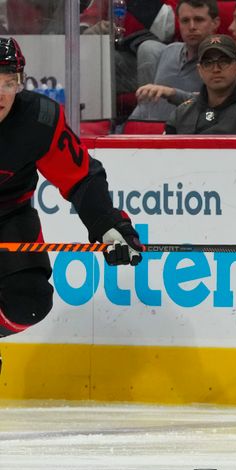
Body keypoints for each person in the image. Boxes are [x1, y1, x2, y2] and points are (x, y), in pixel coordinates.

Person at [0, 38, 141, 372]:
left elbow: (80, 178)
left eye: (8, 83)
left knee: (29, 304)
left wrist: (110, 227)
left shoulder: (38, 120)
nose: (1, 94)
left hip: (9, 216)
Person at [165, 34, 236, 134]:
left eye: (224, 62)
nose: (216, 69)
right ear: (199, 70)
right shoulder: (182, 114)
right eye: (208, 63)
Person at [130, 0, 221, 122]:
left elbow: (215, 108)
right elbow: (147, 106)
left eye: (199, 20)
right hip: (152, 133)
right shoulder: (169, 51)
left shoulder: (223, 62)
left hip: (191, 136)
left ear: (215, 23)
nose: (192, 27)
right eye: (185, 21)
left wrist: (172, 93)